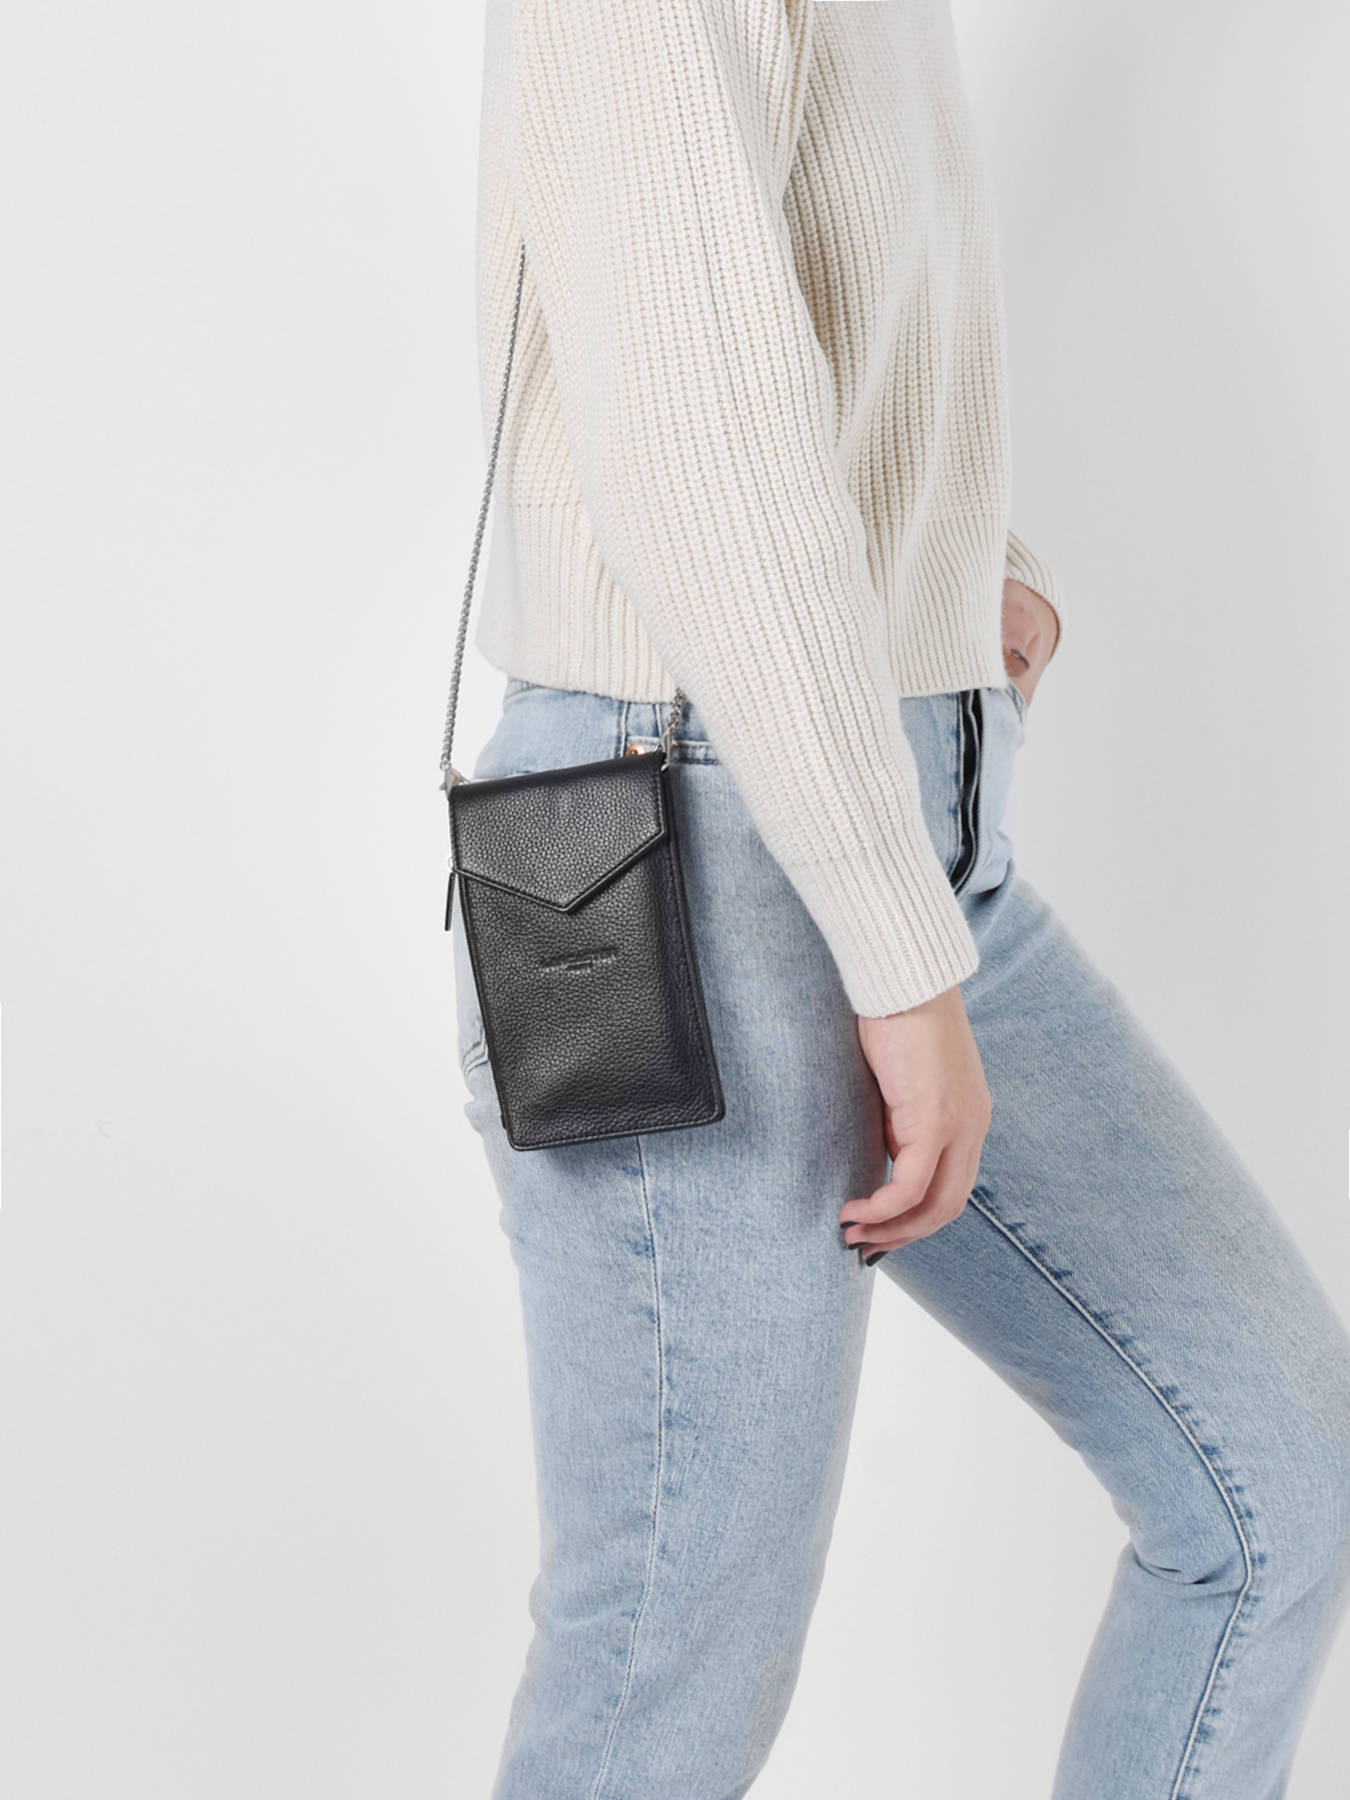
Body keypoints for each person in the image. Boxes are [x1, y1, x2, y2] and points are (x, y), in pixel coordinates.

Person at [451, 4, 1350, 1794]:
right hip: (675, 848)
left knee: (1269, 1474)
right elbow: (693, 444)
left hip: (894, 813)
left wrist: (973, 577)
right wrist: (893, 947)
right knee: (669, 1661)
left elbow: (828, 332)